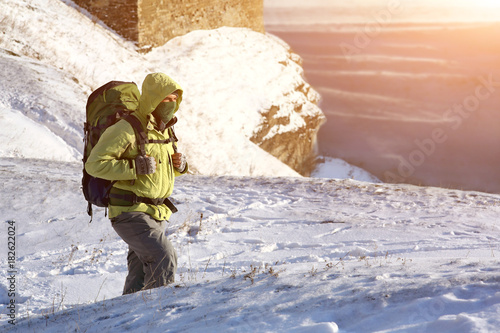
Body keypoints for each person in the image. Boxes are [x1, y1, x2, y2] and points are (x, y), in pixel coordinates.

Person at [85, 72, 188, 294]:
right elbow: (94, 164)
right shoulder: (126, 128)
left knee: (140, 272)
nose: (171, 104)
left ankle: (128, 318)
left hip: (156, 212)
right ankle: (155, 315)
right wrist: (134, 168)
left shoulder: (165, 129)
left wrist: (179, 166)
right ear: (153, 98)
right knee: (163, 257)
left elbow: (157, 170)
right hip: (129, 211)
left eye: (174, 99)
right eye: (166, 99)